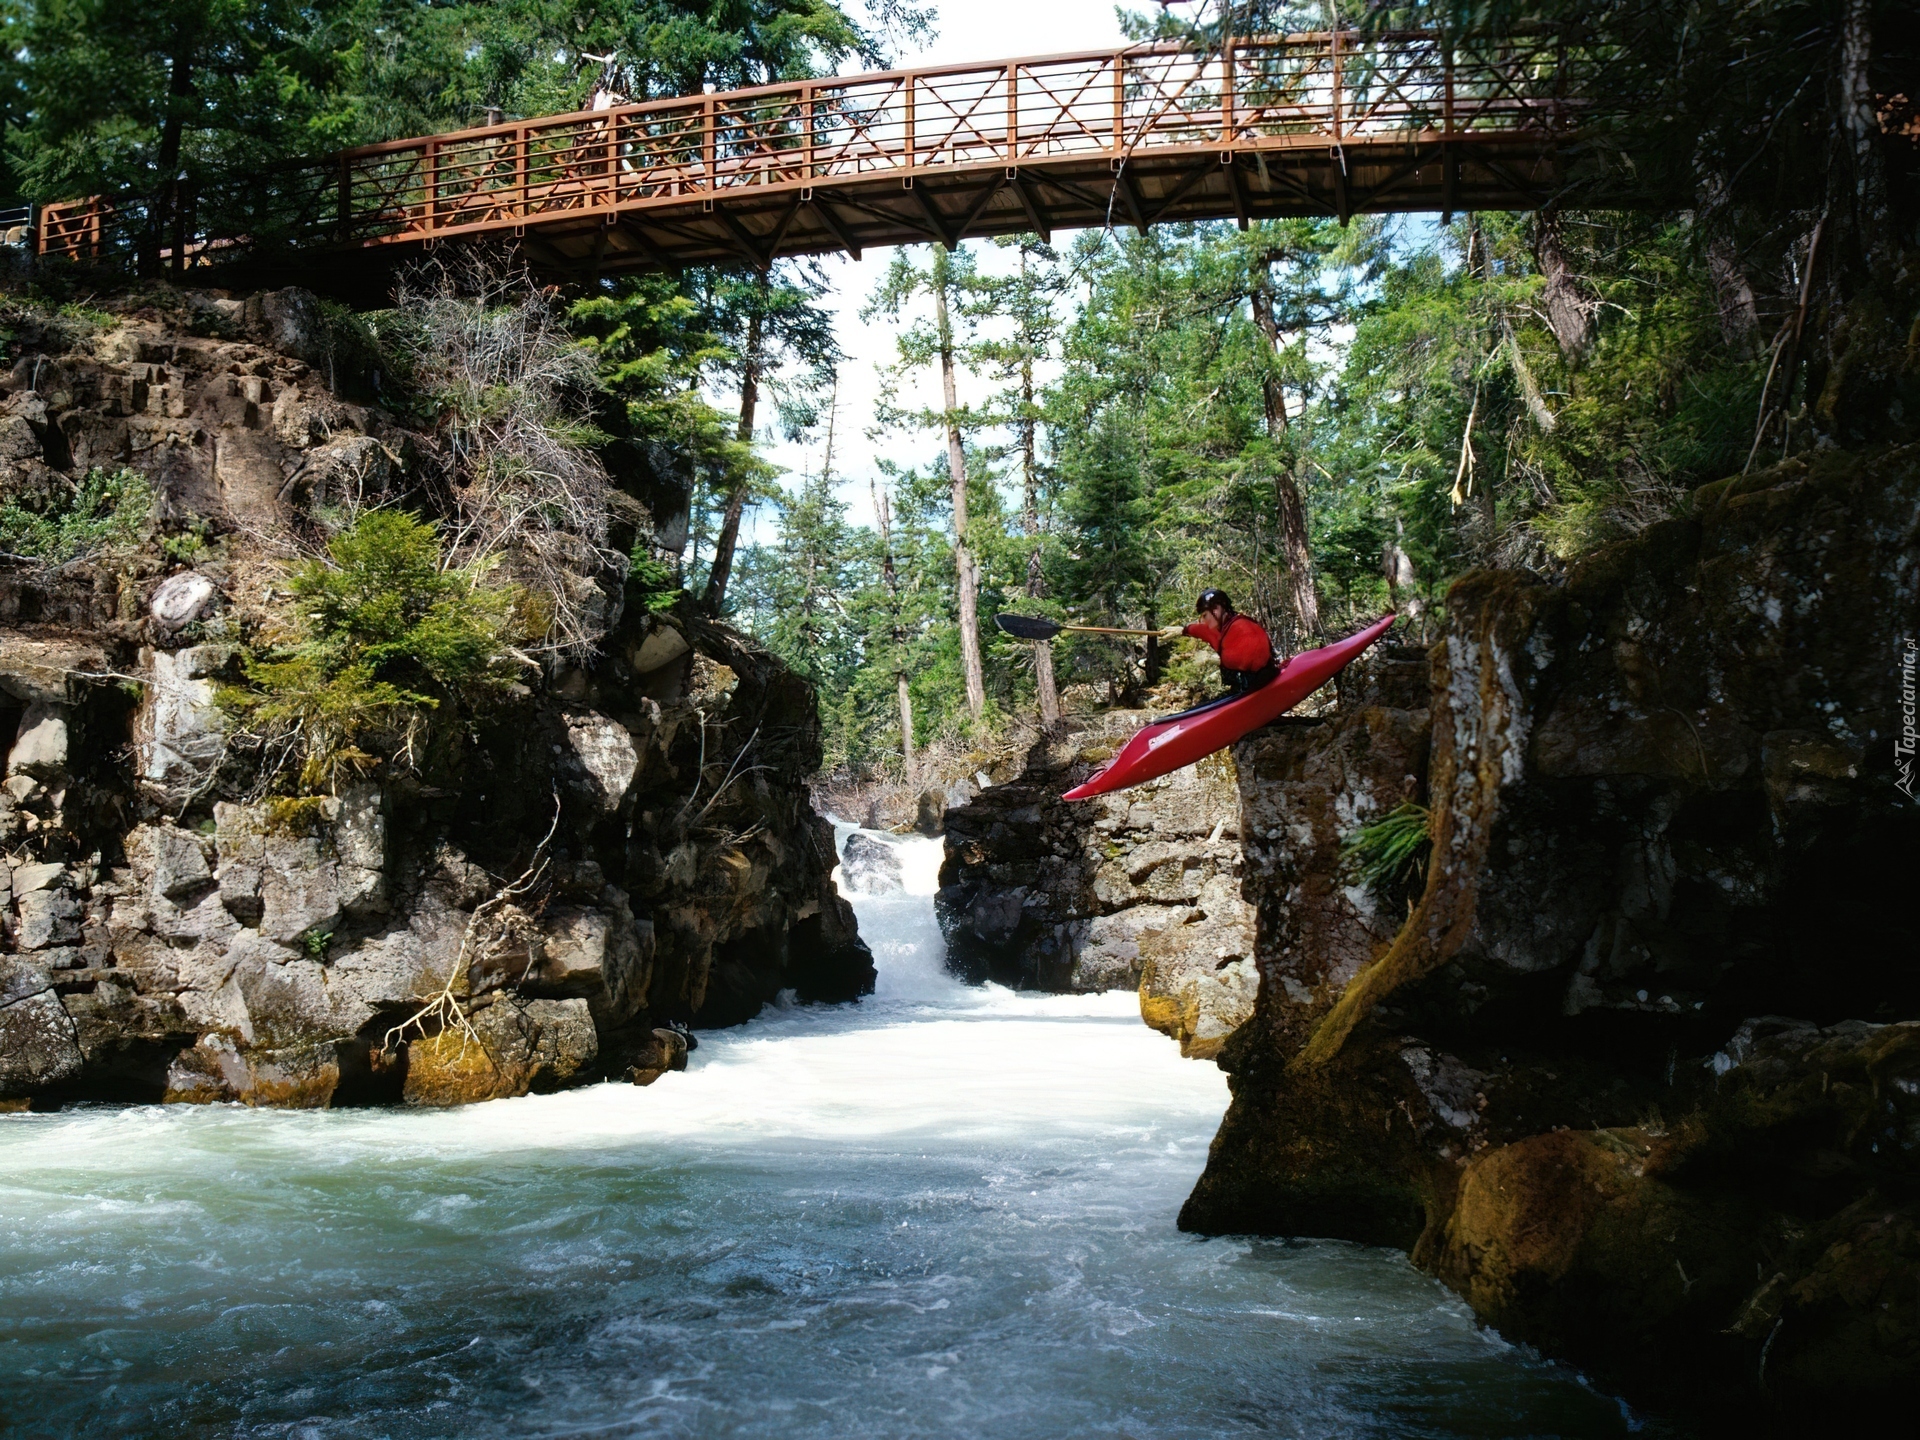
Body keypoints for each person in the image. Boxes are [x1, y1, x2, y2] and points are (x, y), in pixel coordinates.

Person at [1158, 588, 1278, 697]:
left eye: (1205, 616)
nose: (1203, 621)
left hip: (1255, 687)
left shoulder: (1243, 629)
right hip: (1246, 688)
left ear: (1216, 609)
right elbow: (1202, 630)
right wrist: (1182, 630)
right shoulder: (1225, 628)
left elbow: (1249, 661)